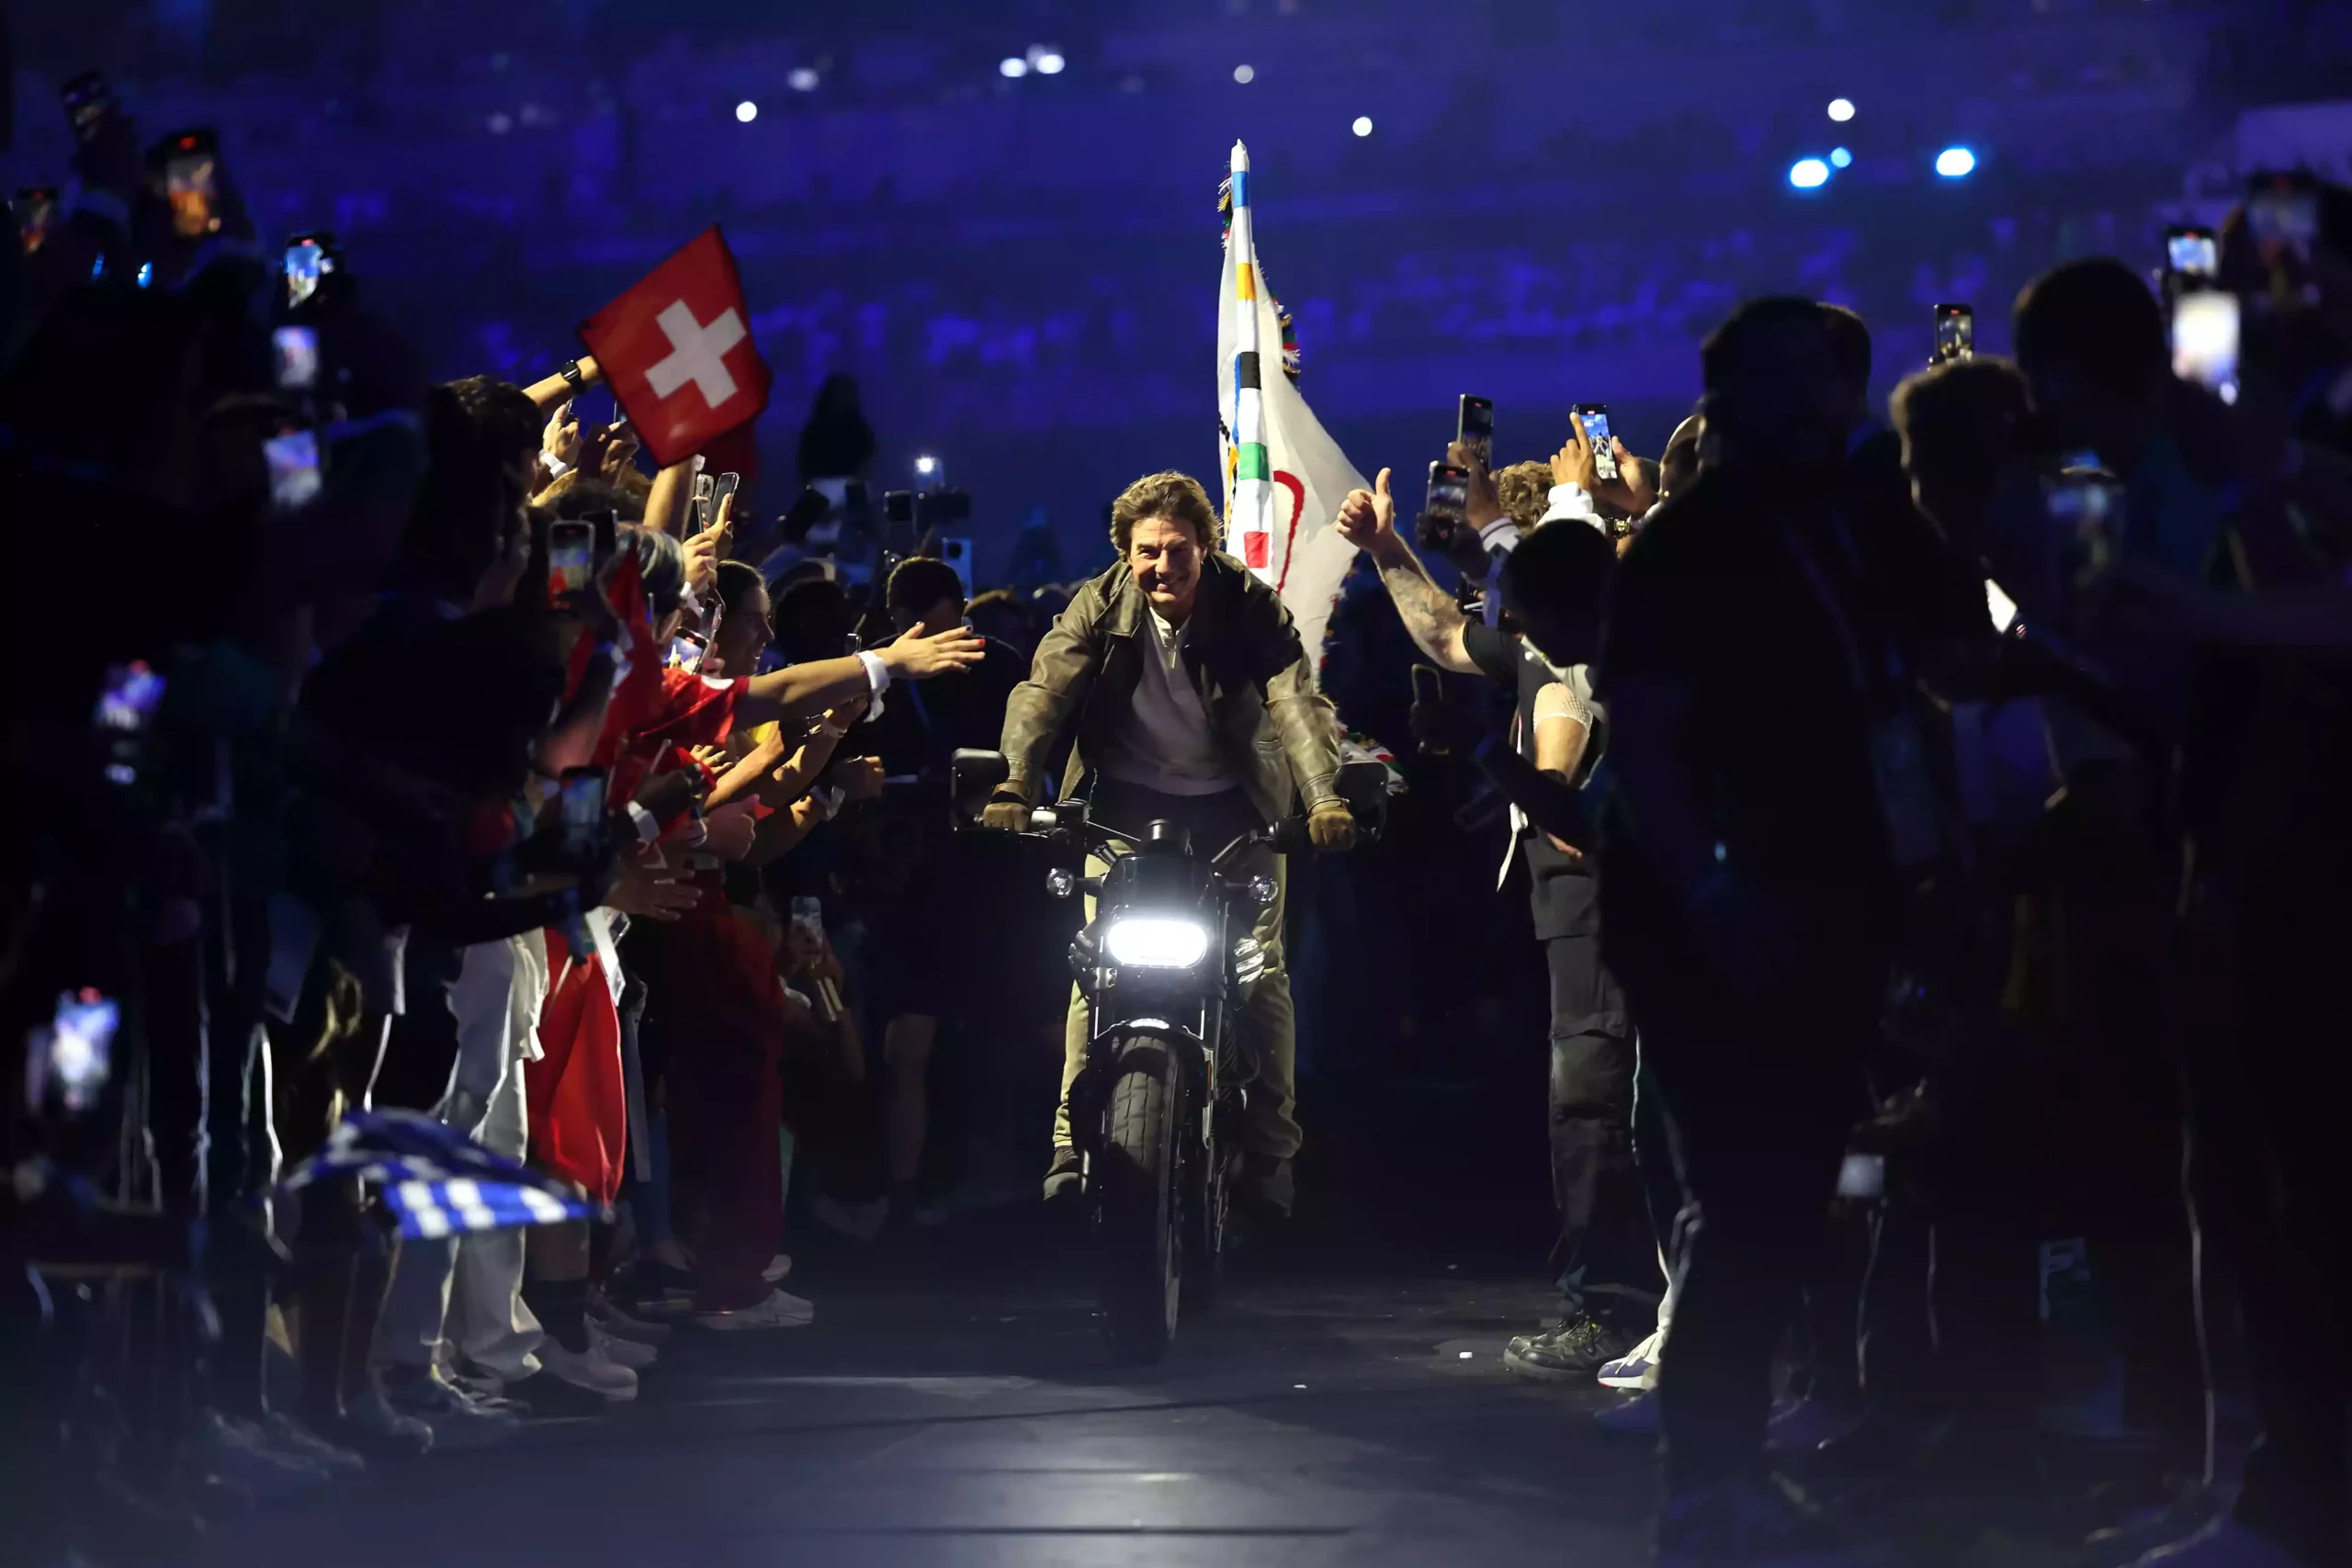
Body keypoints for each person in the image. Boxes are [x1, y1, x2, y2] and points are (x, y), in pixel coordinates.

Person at [1597, 298, 1915, 1564]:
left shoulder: (1829, 525)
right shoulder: (1693, 540)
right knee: (1748, 1190)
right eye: (1806, 389)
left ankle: (1724, 1470)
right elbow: (1649, 735)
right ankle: (1709, 1479)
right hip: (1717, 914)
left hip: (1820, 897)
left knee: (1786, 1193)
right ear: (1741, 401)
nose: (1832, 412)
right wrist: (1712, 891)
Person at [1333, 449, 1657, 1382]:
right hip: (1578, 903)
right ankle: (1635, 1303)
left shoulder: (1578, 658)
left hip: (1604, 897)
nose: (1488, 597)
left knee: (1597, 1099)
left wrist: (1495, 760)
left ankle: (1615, 1308)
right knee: (1594, 1096)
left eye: (1500, 573)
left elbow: (1561, 786)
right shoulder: (1533, 639)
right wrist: (1388, 546)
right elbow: (1442, 635)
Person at [983, 471, 1354, 1214]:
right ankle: (1067, 1140)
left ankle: (1274, 1153)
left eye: (1177, 549)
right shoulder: (1097, 602)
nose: (1162, 566)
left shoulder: (1248, 604)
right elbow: (1045, 689)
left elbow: (1293, 699)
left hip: (1237, 806)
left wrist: (1324, 798)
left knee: (1263, 970)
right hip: (1124, 805)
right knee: (1096, 966)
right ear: (1125, 553)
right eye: (1147, 551)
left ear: (1203, 546)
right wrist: (1015, 783)